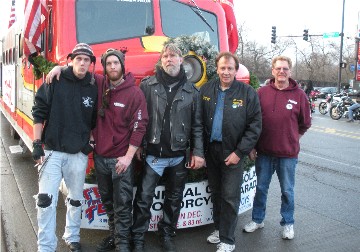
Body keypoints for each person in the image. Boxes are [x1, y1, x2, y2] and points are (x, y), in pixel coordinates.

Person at [46, 49, 149, 252]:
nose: (112, 67)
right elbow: (79, 68)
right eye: (108, 63)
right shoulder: (99, 83)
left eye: (116, 63)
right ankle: (114, 236)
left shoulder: (134, 93)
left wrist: (128, 158)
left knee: (122, 205)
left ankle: (122, 245)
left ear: (122, 66)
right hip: (101, 158)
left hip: (121, 161)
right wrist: (59, 67)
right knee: (108, 202)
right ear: (105, 66)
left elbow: (140, 126)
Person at [131, 43, 205, 252]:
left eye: (173, 56)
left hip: (179, 156)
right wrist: (136, 145)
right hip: (153, 155)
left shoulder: (192, 91)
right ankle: (138, 238)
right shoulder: (148, 85)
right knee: (144, 198)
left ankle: (167, 233)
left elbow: (197, 125)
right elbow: (139, 118)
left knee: (174, 199)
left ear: (181, 60)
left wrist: (198, 153)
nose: (169, 59)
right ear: (161, 60)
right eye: (165, 56)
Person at [32, 43, 98, 252]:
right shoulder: (55, 79)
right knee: (45, 201)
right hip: (52, 151)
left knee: (76, 200)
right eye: (78, 59)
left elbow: (94, 120)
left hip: (77, 154)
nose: (82, 63)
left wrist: (90, 143)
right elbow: (39, 111)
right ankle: (46, 246)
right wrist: (36, 143)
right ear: (71, 60)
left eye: (86, 60)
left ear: (90, 64)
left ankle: (72, 236)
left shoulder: (93, 86)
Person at [243, 56, 311, 240]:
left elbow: (305, 124)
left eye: (285, 69)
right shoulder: (261, 93)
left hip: (288, 155)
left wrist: (292, 139)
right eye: (278, 68)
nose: (282, 71)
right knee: (261, 188)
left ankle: (288, 223)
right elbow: (252, 121)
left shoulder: (300, 95)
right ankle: (257, 220)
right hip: (263, 153)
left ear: (290, 71)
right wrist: (251, 147)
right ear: (272, 70)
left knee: (287, 191)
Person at [200, 52, 262, 252]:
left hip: (233, 153)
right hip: (212, 152)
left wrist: (239, 152)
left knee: (230, 196)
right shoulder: (206, 89)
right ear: (217, 69)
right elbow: (198, 122)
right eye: (222, 68)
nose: (226, 72)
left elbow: (255, 126)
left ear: (236, 70)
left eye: (230, 68)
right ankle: (219, 229)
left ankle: (227, 240)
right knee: (217, 193)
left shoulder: (247, 92)